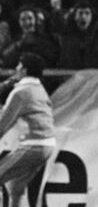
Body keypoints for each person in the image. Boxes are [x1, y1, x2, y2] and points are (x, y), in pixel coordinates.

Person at [0, 52, 55, 207]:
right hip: (47, 145)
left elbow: (3, 125)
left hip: (34, 145)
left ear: (24, 70)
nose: (16, 68)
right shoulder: (39, 88)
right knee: (16, 187)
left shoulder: (20, 92)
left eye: (19, 65)